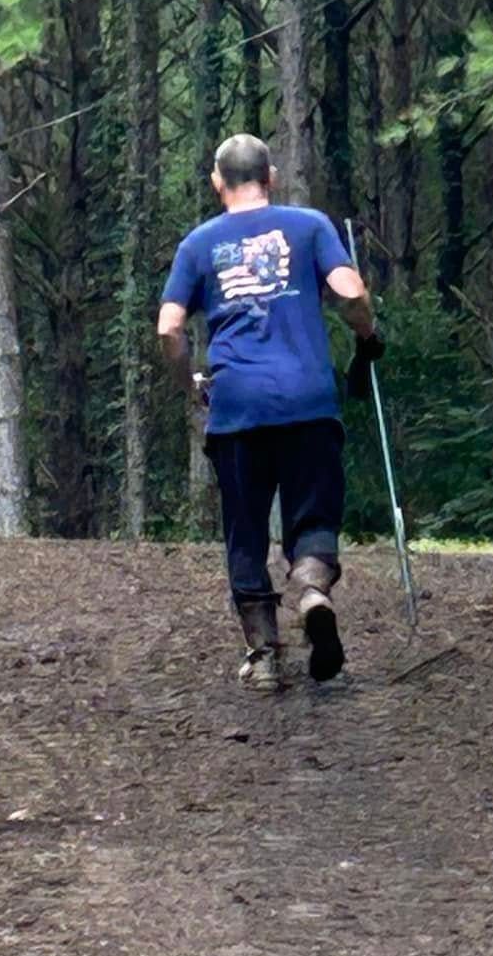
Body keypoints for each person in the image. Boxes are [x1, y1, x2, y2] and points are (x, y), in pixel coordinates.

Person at [157, 133, 385, 692]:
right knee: (312, 516)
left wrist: (189, 380)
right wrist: (367, 333)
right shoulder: (310, 225)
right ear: (271, 176)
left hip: (238, 410)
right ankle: (310, 588)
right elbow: (350, 293)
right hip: (308, 402)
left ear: (218, 182)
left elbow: (169, 327)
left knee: (245, 531)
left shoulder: (198, 244)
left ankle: (263, 655)